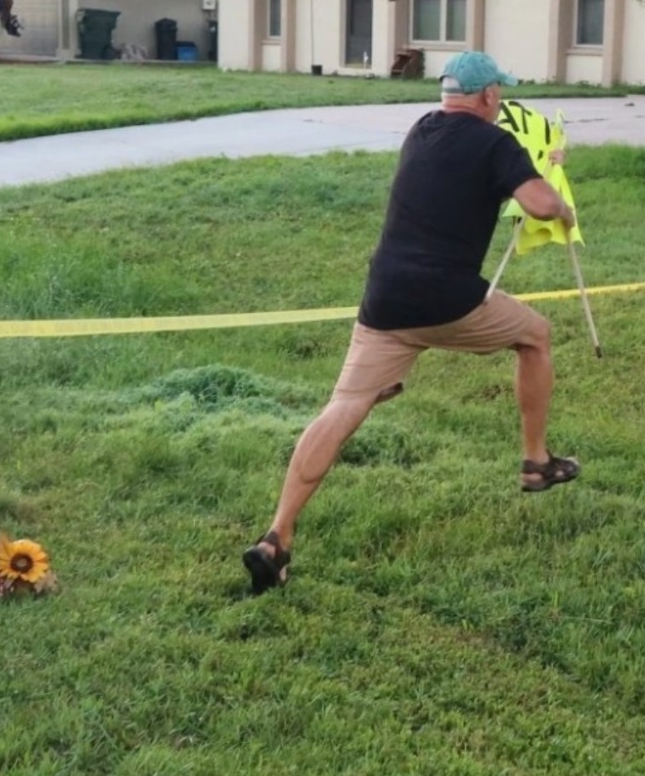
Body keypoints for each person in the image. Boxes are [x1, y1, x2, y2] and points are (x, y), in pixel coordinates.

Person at [243, 51, 580, 595]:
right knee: (535, 335)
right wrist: (562, 205)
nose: (502, 103)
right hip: (449, 300)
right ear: (489, 96)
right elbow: (539, 204)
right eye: (501, 95)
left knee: (343, 407)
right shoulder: (494, 141)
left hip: (385, 301)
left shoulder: (420, 131)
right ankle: (536, 462)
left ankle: (276, 537)